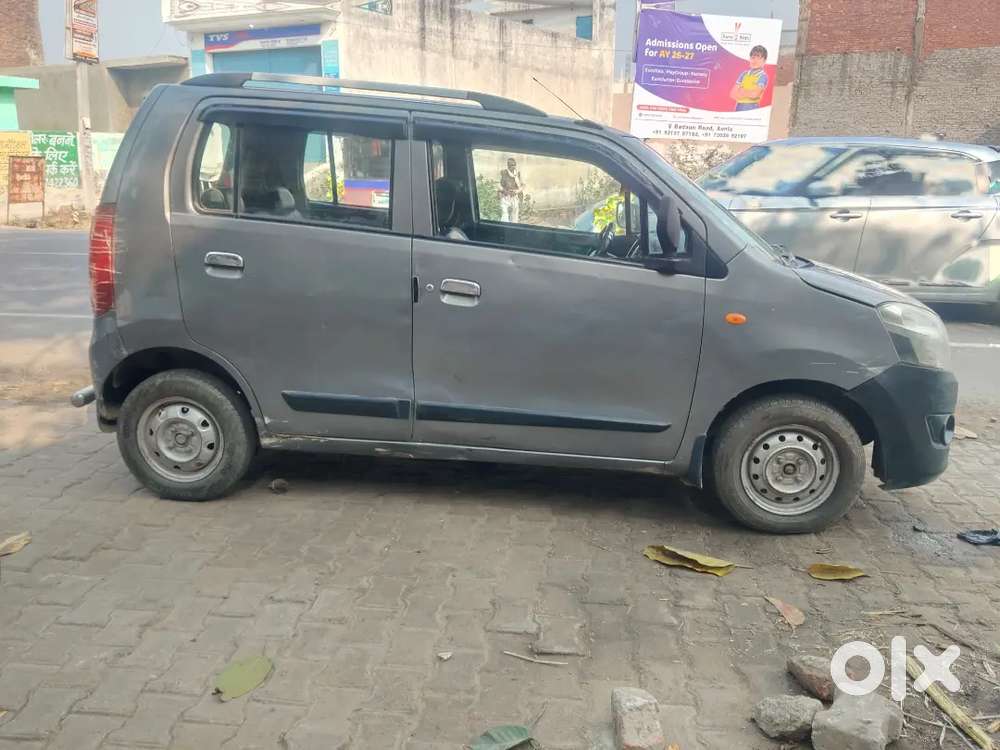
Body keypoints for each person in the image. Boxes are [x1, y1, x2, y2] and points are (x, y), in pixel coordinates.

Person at [729, 45, 769, 111]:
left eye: (759, 58)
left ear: (764, 61)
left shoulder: (762, 76)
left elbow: (755, 94)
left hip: (752, 107)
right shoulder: (744, 74)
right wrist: (749, 92)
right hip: (738, 106)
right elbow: (733, 94)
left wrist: (742, 91)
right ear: (749, 59)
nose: (755, 61)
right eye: (753, 58)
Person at [499, 158, 523, 223]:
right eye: (511, 165)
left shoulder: (517, 174)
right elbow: (499, 186)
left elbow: (521, 186)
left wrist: (517, 191)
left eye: (514, 165)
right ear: (508, 165)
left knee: (514, 214)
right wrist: (504, 191)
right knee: (504, 214)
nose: (513, 166)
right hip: (505, 196)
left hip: (514, 196)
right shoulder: (504, 173)